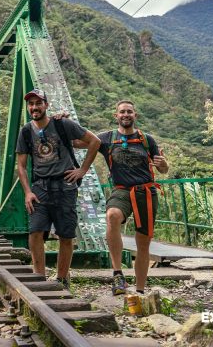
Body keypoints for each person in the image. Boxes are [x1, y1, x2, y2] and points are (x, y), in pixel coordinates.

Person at [15, 89, 100, 291]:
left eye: (38, 103)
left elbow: (94, 141)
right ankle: (39, 278)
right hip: (40, 187)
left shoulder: (63, 124)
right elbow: (20, 165)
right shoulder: (26, 131)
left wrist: (82, 170)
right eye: (31, 104)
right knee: (35, 231)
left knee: (65, 234)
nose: (34, 107)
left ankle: (61, 280)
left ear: (46, 105)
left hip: (65, 186)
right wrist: (28, 191)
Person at [96, 100, 168, 296]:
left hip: (146, 192)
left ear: (135, 115)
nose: (125, 115)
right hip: (121, 190)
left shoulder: (147, 140)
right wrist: (61, 122)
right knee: (112, 215)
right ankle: (118, 273)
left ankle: (140, 290)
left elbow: (162, 169)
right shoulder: (106, 138)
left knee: (143, 242)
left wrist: (163, 164)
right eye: (122, 112)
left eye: (129, 112)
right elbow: (79, 140)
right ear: (116, 116)